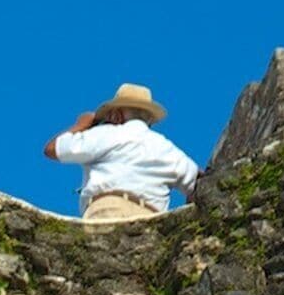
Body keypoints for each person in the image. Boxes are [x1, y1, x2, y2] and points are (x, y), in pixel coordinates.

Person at [47, 84, 197, 224]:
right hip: (152, 223)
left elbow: (53, 149)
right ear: (149, 120)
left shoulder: (107, 134)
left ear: (117, 115)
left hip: (108, 212)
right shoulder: (166, 148)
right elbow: (198, 183)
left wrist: (81, 124)